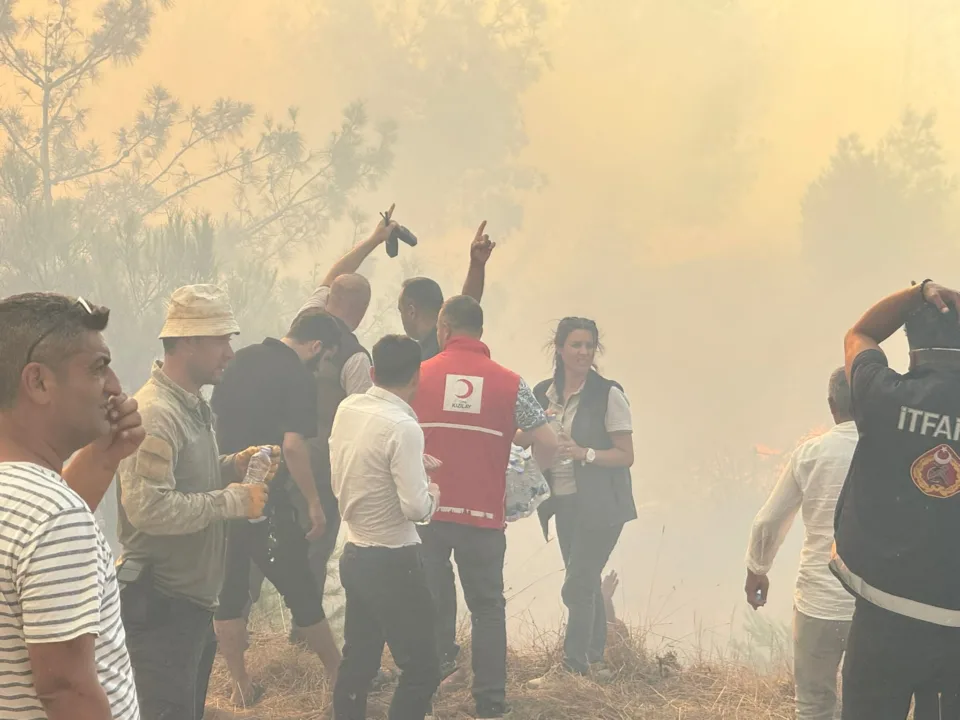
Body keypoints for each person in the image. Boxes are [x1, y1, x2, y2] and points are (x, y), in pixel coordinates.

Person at [117, 285, 275, 720]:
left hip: (187, 606)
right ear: (186, 342)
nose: (229, 352)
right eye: (220, 340)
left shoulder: (189, 407)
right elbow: (148, 508)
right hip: (161, 607)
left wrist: (231, 466)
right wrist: (232, 501)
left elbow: (186, 480)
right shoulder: (156, 413)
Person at [413, 295, 558, 719]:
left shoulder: (418, 375)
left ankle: (423, 690)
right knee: (488, 608)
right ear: (480, 331)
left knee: (429, 601)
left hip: (429, 511)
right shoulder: (511, 383)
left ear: (443, 329)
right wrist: (524, 481)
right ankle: (491, 702)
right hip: (483, 515)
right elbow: (547, 442)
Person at [0, 293, 144, 720]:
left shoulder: (32, 505)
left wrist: (103, 455)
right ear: (39, 382)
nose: (116, 386)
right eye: (98, 368)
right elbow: (66, 690)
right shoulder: (53, 514)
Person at [832, 280, 960, 719]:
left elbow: (860, 335)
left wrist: (917, 292)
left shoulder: (883, 395)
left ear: (911, 345)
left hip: (885, 612)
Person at [211, 311, 344, 708]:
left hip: (223, 491)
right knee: (300, 586)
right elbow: (292, 446)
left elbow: (216, 417)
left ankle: (239, 685)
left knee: (231, 591)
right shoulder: (298, 378)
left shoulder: (241, 358)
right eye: (324, 359)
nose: (321, 367)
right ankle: (338, 672)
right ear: (317, 346)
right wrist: (315, 504)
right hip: (264, 499)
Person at [329, 334, 442, 720]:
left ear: (373, 372)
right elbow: (416, 508)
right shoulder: (402, 426)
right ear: (417, 377)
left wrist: (410, 465)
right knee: (424, 668)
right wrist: (433, 492)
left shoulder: (349, 408)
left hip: (356, 551)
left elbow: (357, 460)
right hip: (395, 560)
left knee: (359, 662)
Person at [526, 317, 637, 684]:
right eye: (576, 345)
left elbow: (625, 454)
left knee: (576, 582)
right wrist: (533, 428)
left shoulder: (608, 394)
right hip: (564, 503)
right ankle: (595, 662)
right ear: (559, 348)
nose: (583, 352)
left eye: (589, 345)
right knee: (586, 582)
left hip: (603, 506)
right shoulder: (542, 393)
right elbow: (519, 439)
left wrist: (584, 453)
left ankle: (571, 669)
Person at [744, 368, 857, 720]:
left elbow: (768, 521)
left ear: (831, 404)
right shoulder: (890, 452)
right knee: (868, 703)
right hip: (871, 607)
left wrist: (757, 570)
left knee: (812, 703)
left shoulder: (810, 454)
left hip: (817, 601)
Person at [398, 220, 496, 360]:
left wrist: (477, 265)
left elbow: (467, 303)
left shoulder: (444, 339)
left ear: (411, 311)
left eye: (400, 310)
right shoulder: (417, 352)